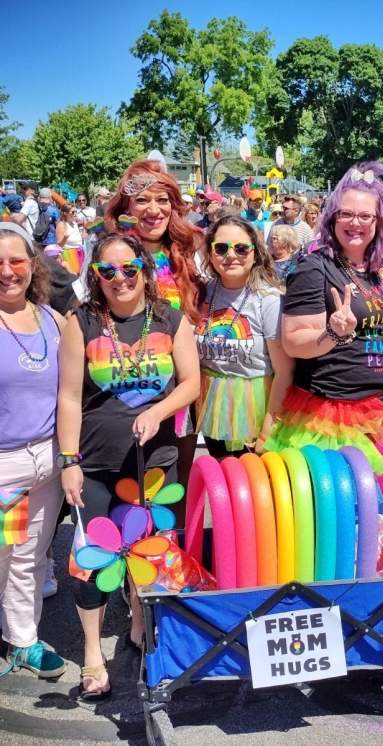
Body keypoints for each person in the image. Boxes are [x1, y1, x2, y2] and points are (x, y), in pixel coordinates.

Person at [57, 233, 199, 699]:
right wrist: (69, 460)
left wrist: (158, 411)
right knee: (92, 560)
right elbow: (70, 396)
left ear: (145, 270)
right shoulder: (82, 323)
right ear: (95, 276)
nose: (120, 279)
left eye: (129, 269)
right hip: (95, 464)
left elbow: (191, 382)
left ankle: (139, 625)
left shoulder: (170, 319)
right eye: (108, 272)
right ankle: (94, 654)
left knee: (147, 551)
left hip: (152, 462)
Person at [264, 162, 383, 475]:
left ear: (379, 221)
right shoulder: (314, 268)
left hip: (382, 409)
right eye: (346, 214)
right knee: (341, 515)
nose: (355, 223)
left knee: (372, 513)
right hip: (334, 418)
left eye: (365, 216)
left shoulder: (378, 267)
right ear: (333, 218)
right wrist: (333, 332)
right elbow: (295, 342)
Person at [106, 160, 203, 490]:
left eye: (162, 200)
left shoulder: (185, 255)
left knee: (175, 488)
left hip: (181, 396)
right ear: (127, 206)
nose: (154, 209)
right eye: (143, 199)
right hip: (124, 392)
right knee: (126, 489)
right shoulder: (110, 256)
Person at [0, 223, 66, 678]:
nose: (7, 271)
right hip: (4, 464)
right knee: (3, 552)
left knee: (29, 555)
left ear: (33, 264)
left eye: (16, 260)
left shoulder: (52, 319)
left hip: (48, 461)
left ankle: (22, 640)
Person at [195, 214, 292, 457]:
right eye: (221, 248)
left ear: (255, 253)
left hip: (257, 410)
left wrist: (266, 432)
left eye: (241, 248)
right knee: (222, 483)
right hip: (213, 406)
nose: (230, 255)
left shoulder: (268, 299)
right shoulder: (202, 292)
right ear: (210, 254)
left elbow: (284, 372)